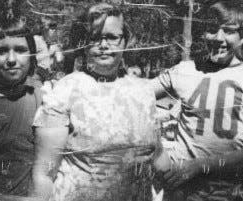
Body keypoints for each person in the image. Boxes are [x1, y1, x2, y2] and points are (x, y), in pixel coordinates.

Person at [32, 3, 159, 201]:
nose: (103, 45)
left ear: (125, 41)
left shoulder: (143, 91)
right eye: (95, 38)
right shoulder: (65, 91)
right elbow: (44, 174)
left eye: (112, 37)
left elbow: (157, 155)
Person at [151, 1, 243, 200]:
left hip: (226, 191)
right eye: (212, 29)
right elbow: (136, 96)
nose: (219, 38)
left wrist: (200, 166)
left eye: (229, 31)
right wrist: (157, 152)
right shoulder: (185, 70)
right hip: (179, 189)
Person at [0, 14, 42, 201]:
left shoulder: (41, 98)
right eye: (1, 51)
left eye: (21, 50)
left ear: (32, 56)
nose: (12, 59)